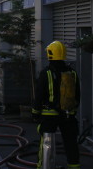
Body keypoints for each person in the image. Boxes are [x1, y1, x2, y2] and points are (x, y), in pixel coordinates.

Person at [32, 41, 81, 169]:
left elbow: (39, 95)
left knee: (46, 144)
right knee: (71, 144)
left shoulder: (46, 73)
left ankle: (44, 166)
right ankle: (74, 166)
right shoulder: (72, 73)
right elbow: (77, 95)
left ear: (50, 54)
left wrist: (35, 113)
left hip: (49, 116)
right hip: (68, 115)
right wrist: (73, 111)